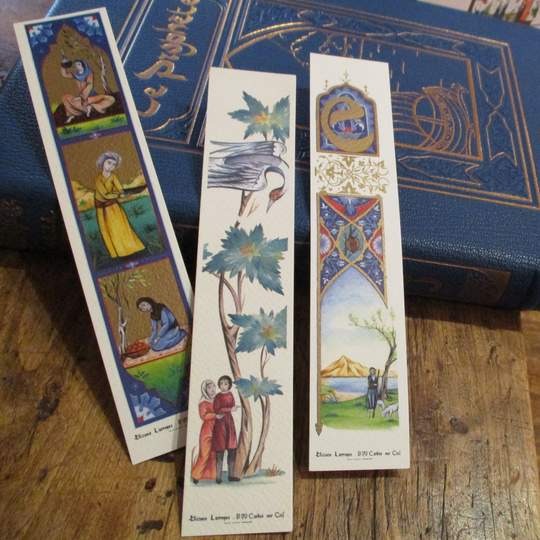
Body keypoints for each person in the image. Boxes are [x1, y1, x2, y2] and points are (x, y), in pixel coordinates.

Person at [94, 151, 145, 258]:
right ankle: (118, 252)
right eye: (109, 162)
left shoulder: (113, 176)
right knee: (110, 230)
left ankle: (131, 248)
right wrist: (118, 195)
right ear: (102, 162)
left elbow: (120, 189)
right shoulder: (98, 179)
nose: (111, 166)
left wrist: (123, 192)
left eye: (113, 164)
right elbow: (105, 195)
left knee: (122, 226)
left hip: (114, 206)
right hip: (102, 209)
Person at [60, 58, 115, 123]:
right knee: (65, 97)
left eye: (79, 64)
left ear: (83, 65)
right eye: (75, 65)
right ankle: (77, 112)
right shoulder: (76, 75)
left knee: (110, 99)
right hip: (81, 99)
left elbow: (90, 85)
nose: (77, 66)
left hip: (90, 96)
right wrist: (63, 64)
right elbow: (64, 74)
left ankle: (91, 107)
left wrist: (82, 97)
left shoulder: (89, 73)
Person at [212, 375, 240, 483]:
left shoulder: (231, 395)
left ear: (229, 385)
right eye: (221, 383)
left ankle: (231, 475)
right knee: (220, 451)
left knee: (232, 449)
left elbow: (232, 405)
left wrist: (231, 409)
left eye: (226, 384)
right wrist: (230, 409)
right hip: (220, 424)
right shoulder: (217, 396)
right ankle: (218, 477)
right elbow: (217, 409)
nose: (223, 386)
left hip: (229, 423)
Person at [191, 380, 217, 484]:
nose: (212, 389)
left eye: (213, 387)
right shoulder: (203, 402)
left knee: (214, 454)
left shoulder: (217, 400)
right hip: (207, 431)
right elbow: (203, 416)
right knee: (204, 454)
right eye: (209, 388)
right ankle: (196, 476)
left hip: (216, 430)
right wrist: (215, 415)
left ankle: (211, 476)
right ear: (205, 390)